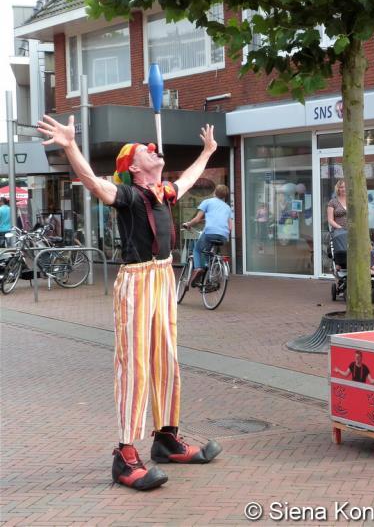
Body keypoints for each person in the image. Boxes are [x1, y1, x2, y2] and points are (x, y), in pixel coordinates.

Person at [37, 114, 222, 491]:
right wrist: (71, 146)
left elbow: (187, 179)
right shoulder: (128, 196)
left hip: (163, 276)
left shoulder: (163, 193)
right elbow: (94, 183)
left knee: (166, 359)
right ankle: (124, 455)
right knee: (134, 364)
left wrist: (207, 152)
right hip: (137, 280)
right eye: (144, 150)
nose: (153, 150)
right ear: (134, 168)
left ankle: (166, 439)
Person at [182, 184, 233, 288]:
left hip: (210, 232)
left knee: (197, 250)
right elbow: (230, 227)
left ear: (214, 192)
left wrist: (188, 224)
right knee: (208, 252)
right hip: (223, 236)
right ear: (225, 196)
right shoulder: (227, 207)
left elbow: (197, 219)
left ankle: (198, 268)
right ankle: (209, 275)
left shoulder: (207, 202)